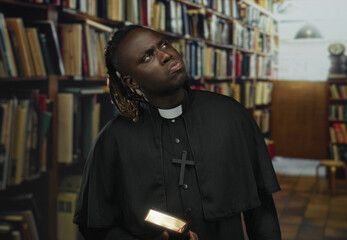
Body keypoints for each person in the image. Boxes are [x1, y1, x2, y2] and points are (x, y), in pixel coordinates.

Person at [73, 24, 282, 240]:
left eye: (163, 44)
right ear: (132, 81)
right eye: (147, 57)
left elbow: (261, 211)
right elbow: (95, 227)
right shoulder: (113, 139)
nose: (166, 55)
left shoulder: (231, 115)